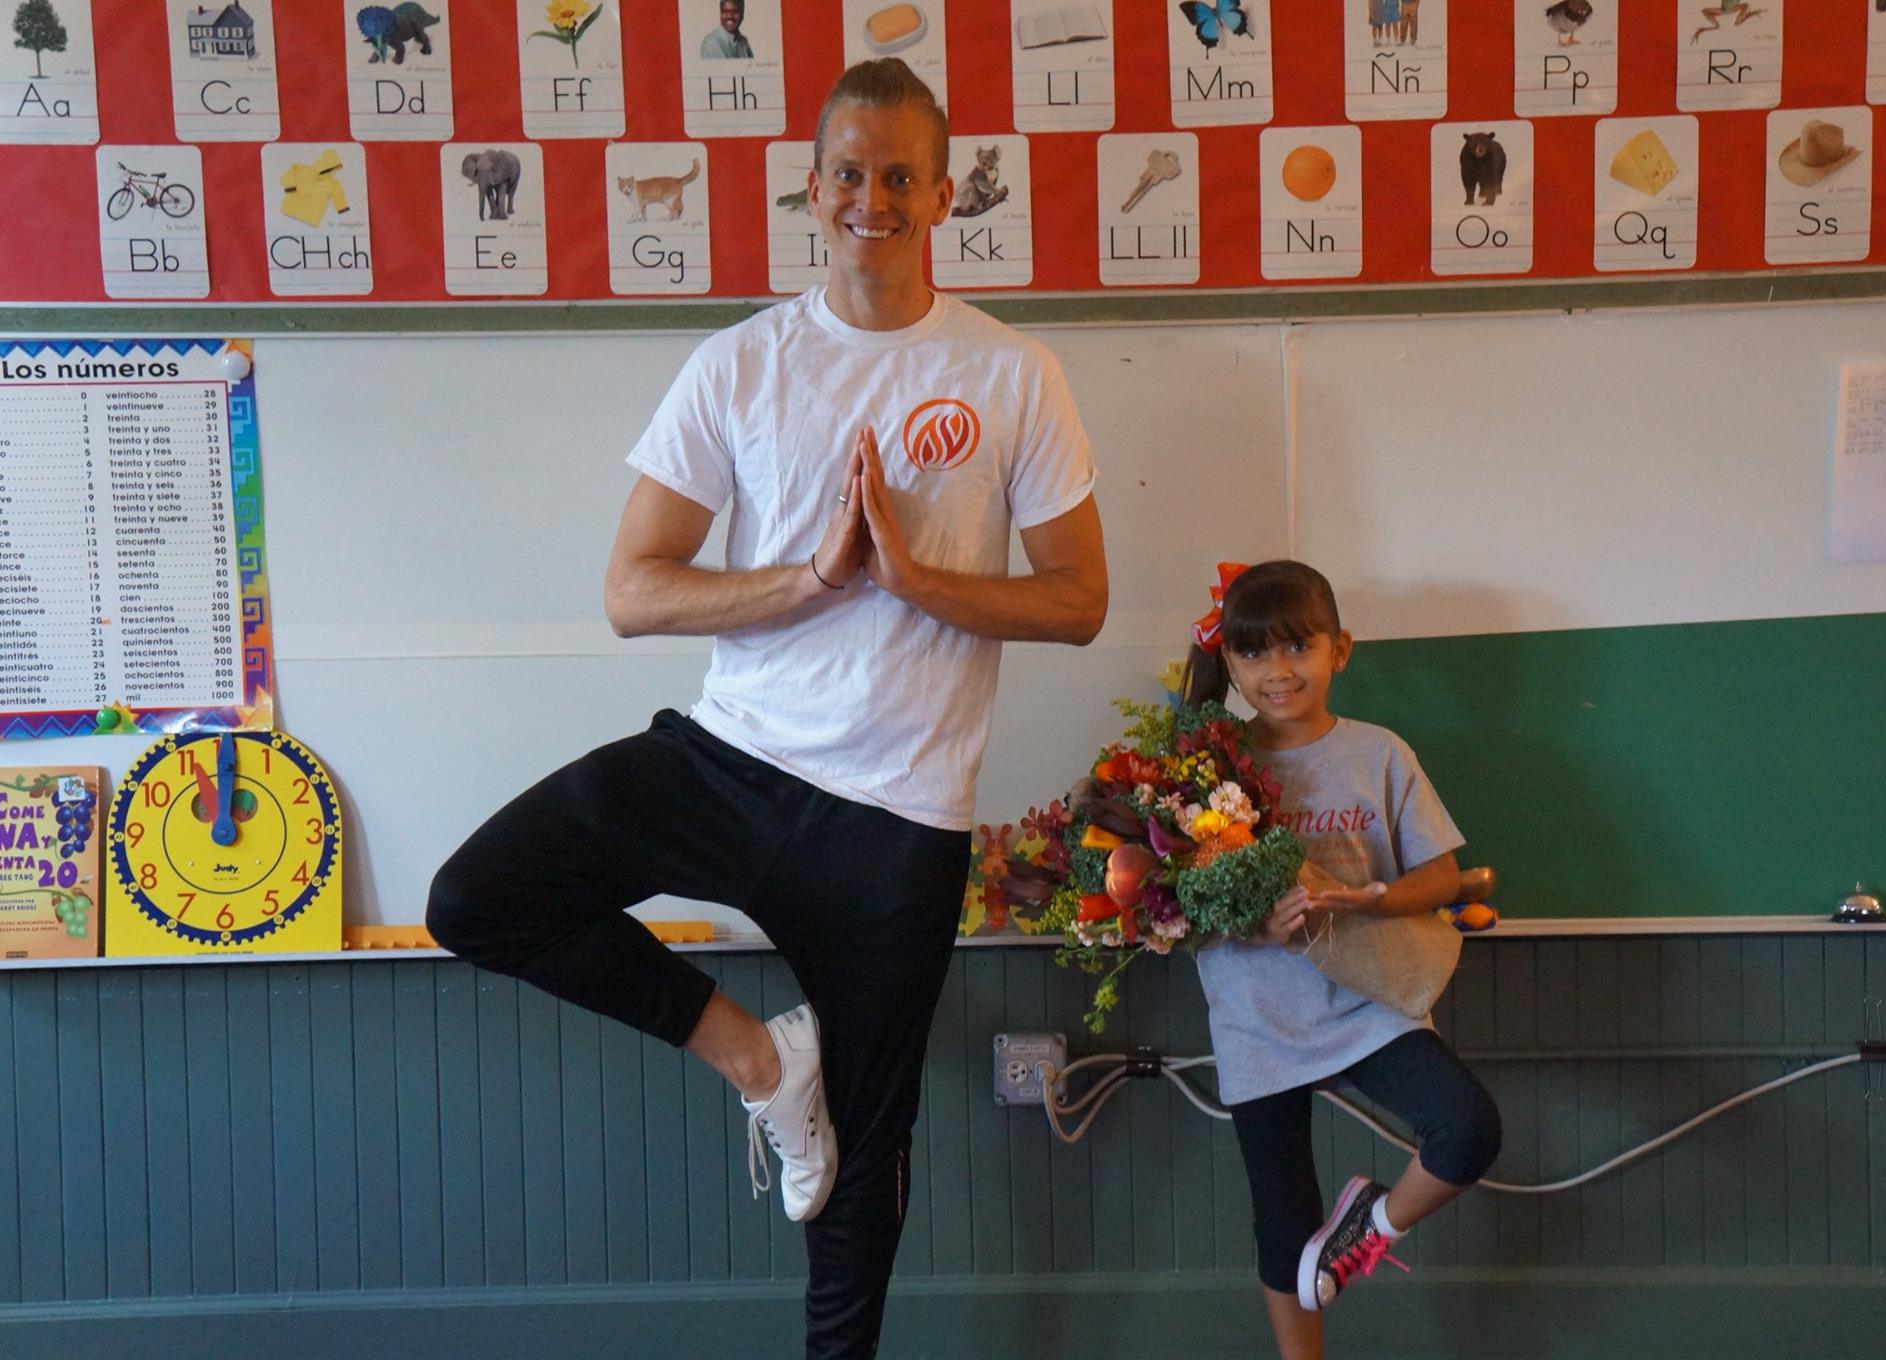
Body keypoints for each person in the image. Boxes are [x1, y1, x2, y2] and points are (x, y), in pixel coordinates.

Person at [425, 58, 1106, 1360]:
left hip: (898, 818)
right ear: (811, 186)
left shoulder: (1013, 373)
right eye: (848, 173)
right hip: (730, 763)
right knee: (479, 896)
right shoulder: (740, 365)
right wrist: (813, 579)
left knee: (865, 1164)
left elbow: (1077, 600)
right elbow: (633, 591)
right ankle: (757, 1060)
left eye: (900, 176)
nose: (871, 200)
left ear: (944, 194)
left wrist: (918, 581)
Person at [1179, 560, 1500, 1360]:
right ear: (1229, 662)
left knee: (1468, 1128)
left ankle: (1369, 1230)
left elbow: (1442, 874)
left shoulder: (1379, 753)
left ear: (1340, 650)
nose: (1278, 671)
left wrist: (1373, 900)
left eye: (1299, 646)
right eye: (1254, 652)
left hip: (1370, 1003)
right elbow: (1170, 904)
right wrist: (1251, 922)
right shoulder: (1204, 765)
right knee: (1284, 1226)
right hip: (1257, 1017)